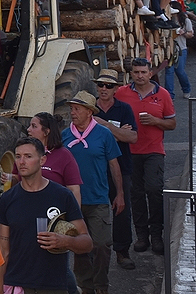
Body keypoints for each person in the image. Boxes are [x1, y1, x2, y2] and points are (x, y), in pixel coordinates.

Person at [0, 137, 92, 294]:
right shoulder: (7, 199)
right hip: (17, 284)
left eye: (28, 156)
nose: (21, 162)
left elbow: (86, 243)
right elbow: (3, 250)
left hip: (52, 285)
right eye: (18, 156)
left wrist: (66, 241)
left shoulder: (62, 196)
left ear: (42, 160)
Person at [61, 91, 124, 294]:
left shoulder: (104, 134)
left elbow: (114, 165)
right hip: (73, 202)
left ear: (89, 112)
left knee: (102, 245)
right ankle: (86, 286)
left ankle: (101, 284)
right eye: (71, 108)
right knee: (79, 247)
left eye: (77, 109)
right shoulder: (65, 135)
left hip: (98, 199)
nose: (72, 112)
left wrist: (120, 193)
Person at [114, 58, 176, 255]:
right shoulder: (122, 93)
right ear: (131, 74)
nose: (140, 76)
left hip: (153, 151)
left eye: (143, 72)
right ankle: (142, 236)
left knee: (154, 189)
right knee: (136, 195)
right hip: (130, 152)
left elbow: (172, 124)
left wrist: (156, 121)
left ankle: (157, 234)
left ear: (150, 73)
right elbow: (113, 116)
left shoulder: (162, 94)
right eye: (136, 72)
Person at [92, 69, 139, 271]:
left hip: (122, 166)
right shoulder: (89, 108)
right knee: (93, 210)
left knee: (121, 209)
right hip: (95, 169)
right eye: (101, 85)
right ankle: (93, 252)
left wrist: (105, 126)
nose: (104, 89)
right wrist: (119, 132)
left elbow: (133, 138)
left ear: (116, 89)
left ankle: (122, 252)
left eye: (109, 86)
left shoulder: (124, 108)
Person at [165, 2, 194, 99]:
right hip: (169, 49)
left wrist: (183, 33)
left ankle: (186, 89)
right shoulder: (166, 19)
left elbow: (190, 34)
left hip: (181, 48)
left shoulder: (185, 21)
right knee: (169, 71)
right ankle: (169, 95)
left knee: (180, 71)